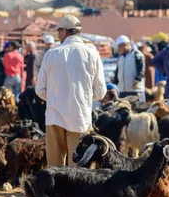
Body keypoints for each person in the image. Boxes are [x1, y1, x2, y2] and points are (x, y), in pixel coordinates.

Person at [36, 15, 106, 167]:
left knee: (55, 168)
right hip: (79, 116)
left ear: (64, 31)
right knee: (77, 167)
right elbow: (100, 92)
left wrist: (55, 98)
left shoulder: (51, 54)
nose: (58, 35)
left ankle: (56, 191)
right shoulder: (91, 54)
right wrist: (83, 97)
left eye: (58, 31)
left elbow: (40, 89)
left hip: (55, 116)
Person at [113, 35, 145, 101]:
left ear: (126, 45)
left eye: (120, 46)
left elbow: (141, 70)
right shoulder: (120, 57)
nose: (118, 48)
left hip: (135, 90)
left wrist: (137, 81)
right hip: (122, 90)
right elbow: (117, 72)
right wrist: (115, 84)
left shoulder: (137, 55)